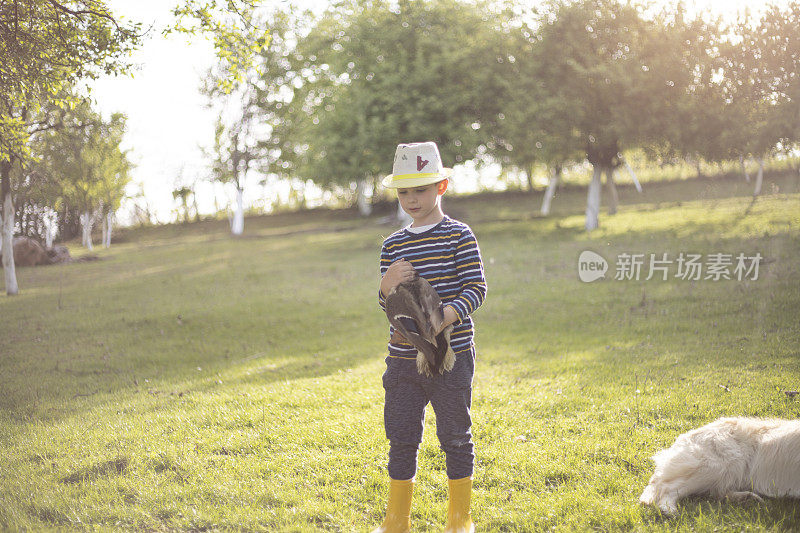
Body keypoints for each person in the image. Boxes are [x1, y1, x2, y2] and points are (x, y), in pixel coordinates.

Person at [373, 142, 487, 533]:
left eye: (420, 190)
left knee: (455, 434)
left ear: (441, 187)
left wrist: (447, 315)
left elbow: (477, 287)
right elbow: (389, 306)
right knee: (401, 434)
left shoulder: (458, 236)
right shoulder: (392, 244)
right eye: (404, 191)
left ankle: (460, 518)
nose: (411, 199)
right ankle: (396, 519)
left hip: (450, 355)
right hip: (403, 359)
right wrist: (385, 286)